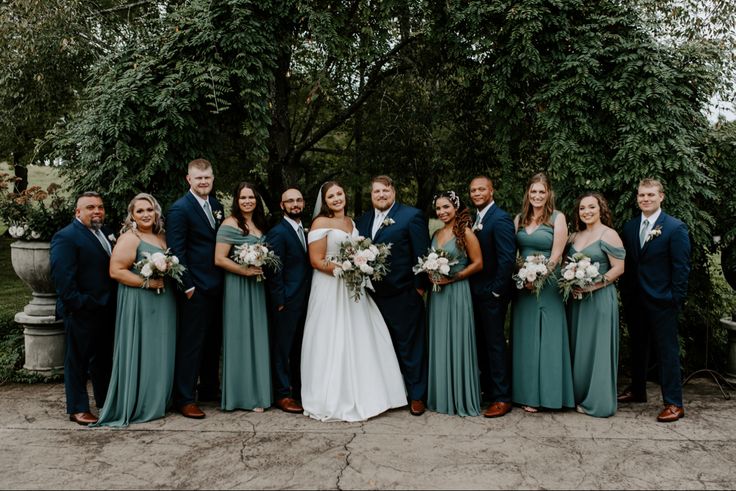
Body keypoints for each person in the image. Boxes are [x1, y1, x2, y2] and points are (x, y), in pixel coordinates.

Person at [301, 181, 406, 422]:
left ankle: (370, 391)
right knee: (331, 335)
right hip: (330, 286)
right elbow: (317, 261)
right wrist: (346, 268)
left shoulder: (351, 222)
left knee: (362, 335)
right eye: (331, 196)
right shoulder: (320, 223)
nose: (337, 198)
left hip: (353, 286)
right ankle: (332, 395)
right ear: (324, 201)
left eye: (339, 193)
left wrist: (358, 266)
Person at [95, 193, 176, 426]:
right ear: (132, 215)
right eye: (139, 211)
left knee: (160, 348)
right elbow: (116, 271)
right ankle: (140, 402)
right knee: (144, 347)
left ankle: (158, 399)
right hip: (140, 299)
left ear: (156, 212)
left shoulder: (161, 235)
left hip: (163, 300)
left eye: (149, 210)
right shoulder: (130, 238)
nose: (146, 214)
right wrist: (147, 283)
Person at [355, 175, 430, 416]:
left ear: (394, 192)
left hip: (404, 293)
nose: (381, 195)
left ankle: (417, 395)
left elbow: (421, 253)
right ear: (371, 195)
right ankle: (391, 393)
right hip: (371, 296)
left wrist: (418, 289)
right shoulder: (362, 220)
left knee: (409, 346)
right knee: (380, 347)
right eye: (376, 191)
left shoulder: (412, 216)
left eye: (385, 191)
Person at [618, 178, 691, 423]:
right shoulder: (629, 227)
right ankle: (638, 390)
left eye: (650, 195)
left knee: (666, 351)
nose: (645, 199)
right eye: (641, 195)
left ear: (661, 197)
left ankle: (674, 403)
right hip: (635, 299)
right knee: (638, 347)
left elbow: (681, 268)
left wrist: (674, 299)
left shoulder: (674, 228)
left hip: (663, 301)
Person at [50, 191, 117, 425]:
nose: (96, 211)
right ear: (78, 212)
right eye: (90, 207)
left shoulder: (107, 233)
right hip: (80, 310)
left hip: (106, 309)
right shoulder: (66, 237)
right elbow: (63, 279)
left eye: (100, 206)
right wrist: (79, 304)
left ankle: (105, 401)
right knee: (77, 361)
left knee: (103, 359)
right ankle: (78, 408)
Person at [511, 172, 574, 413]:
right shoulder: (519, 219)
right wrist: (523, 275)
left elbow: (557, 255)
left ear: (549, 194)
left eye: (542, 191)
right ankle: (526, 393)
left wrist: (538, 278)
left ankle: (550, 394)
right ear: (528, 193)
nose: (537, 196)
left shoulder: (557, 218)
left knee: (548, 337)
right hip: (523, 284)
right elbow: (514, 253)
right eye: (533, 191)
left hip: (547, 284)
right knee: (526, 337)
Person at [167, 158, 224, 419]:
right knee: (192, 343)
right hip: (195, 287)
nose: (203, 182)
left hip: (217, 285)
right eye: (198, 178)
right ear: (189, 179)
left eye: (207, 177)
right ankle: (185, 397)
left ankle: (210, 389)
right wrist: (187, 286)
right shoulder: (180, 209)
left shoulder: (216, 205)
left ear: (212, 178)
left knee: (213, 340)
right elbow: (177, 251)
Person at [214, 182, 272, 412]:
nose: (247, 201)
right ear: (236, 201)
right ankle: (239, 397)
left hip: (257, 287)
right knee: (239, 338)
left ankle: (258, 394)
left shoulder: (259, 223)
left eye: (251, 197)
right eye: (243, 197)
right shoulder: (229, 224)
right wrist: (244, 270)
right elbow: (219, 258)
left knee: (257, 337)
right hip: (238, 285)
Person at [566, 192, 625, 418]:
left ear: (601, 209)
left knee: (598, 348)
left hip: (600, 299)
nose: (587, 212)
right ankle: (578, 396)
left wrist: (593, 285)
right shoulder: (574, 237)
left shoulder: (609, 235)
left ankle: (599, 402)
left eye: (592, 207)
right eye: (582, 208)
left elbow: (618, 268)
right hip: (577, 301)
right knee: (579, 348)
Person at [426, 191, 483, 416]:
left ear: (456, 207)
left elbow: (478, 263)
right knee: (439, 341)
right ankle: (441, 396)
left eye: (446, 207)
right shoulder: (437, 232)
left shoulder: (465, 232)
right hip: (437, 294)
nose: (442, 212)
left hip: (457, 291)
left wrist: (455, 277)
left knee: (457, 340)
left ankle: (459, 396)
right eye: (438, 208)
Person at [467, 176, 517, 418]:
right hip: (475, 292)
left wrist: (496, 291)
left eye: (481, 189)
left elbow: (507, 259)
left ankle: (502, 397)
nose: (477, 193)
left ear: (491, 191)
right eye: (473, 190)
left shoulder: (501, 219)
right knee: (481, 342)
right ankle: (488, 389)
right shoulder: (475, 219)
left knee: (495, 344)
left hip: (492, 293)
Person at [265, 188, 311, 414]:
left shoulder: (304, 230)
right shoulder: (278, 232)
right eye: (290, 201)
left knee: (299, 348)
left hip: (305, 300)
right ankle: (282, 394)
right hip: (287, 301)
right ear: (282, 206)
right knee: (282, 349)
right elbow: (275, 270)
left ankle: (298, 390)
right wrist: (280, 300)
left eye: (299, 200)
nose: (295, 204)